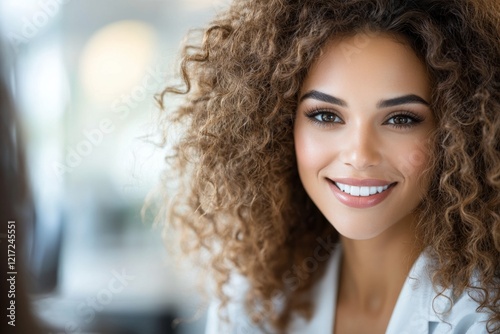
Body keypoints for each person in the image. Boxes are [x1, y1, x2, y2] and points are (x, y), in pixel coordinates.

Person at [156, 0, 500, 333]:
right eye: (326, 115)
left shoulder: (483, 316)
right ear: (277, 127)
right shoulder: (252, 299)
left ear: (459, 133)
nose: (360, 154)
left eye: (400, 119)